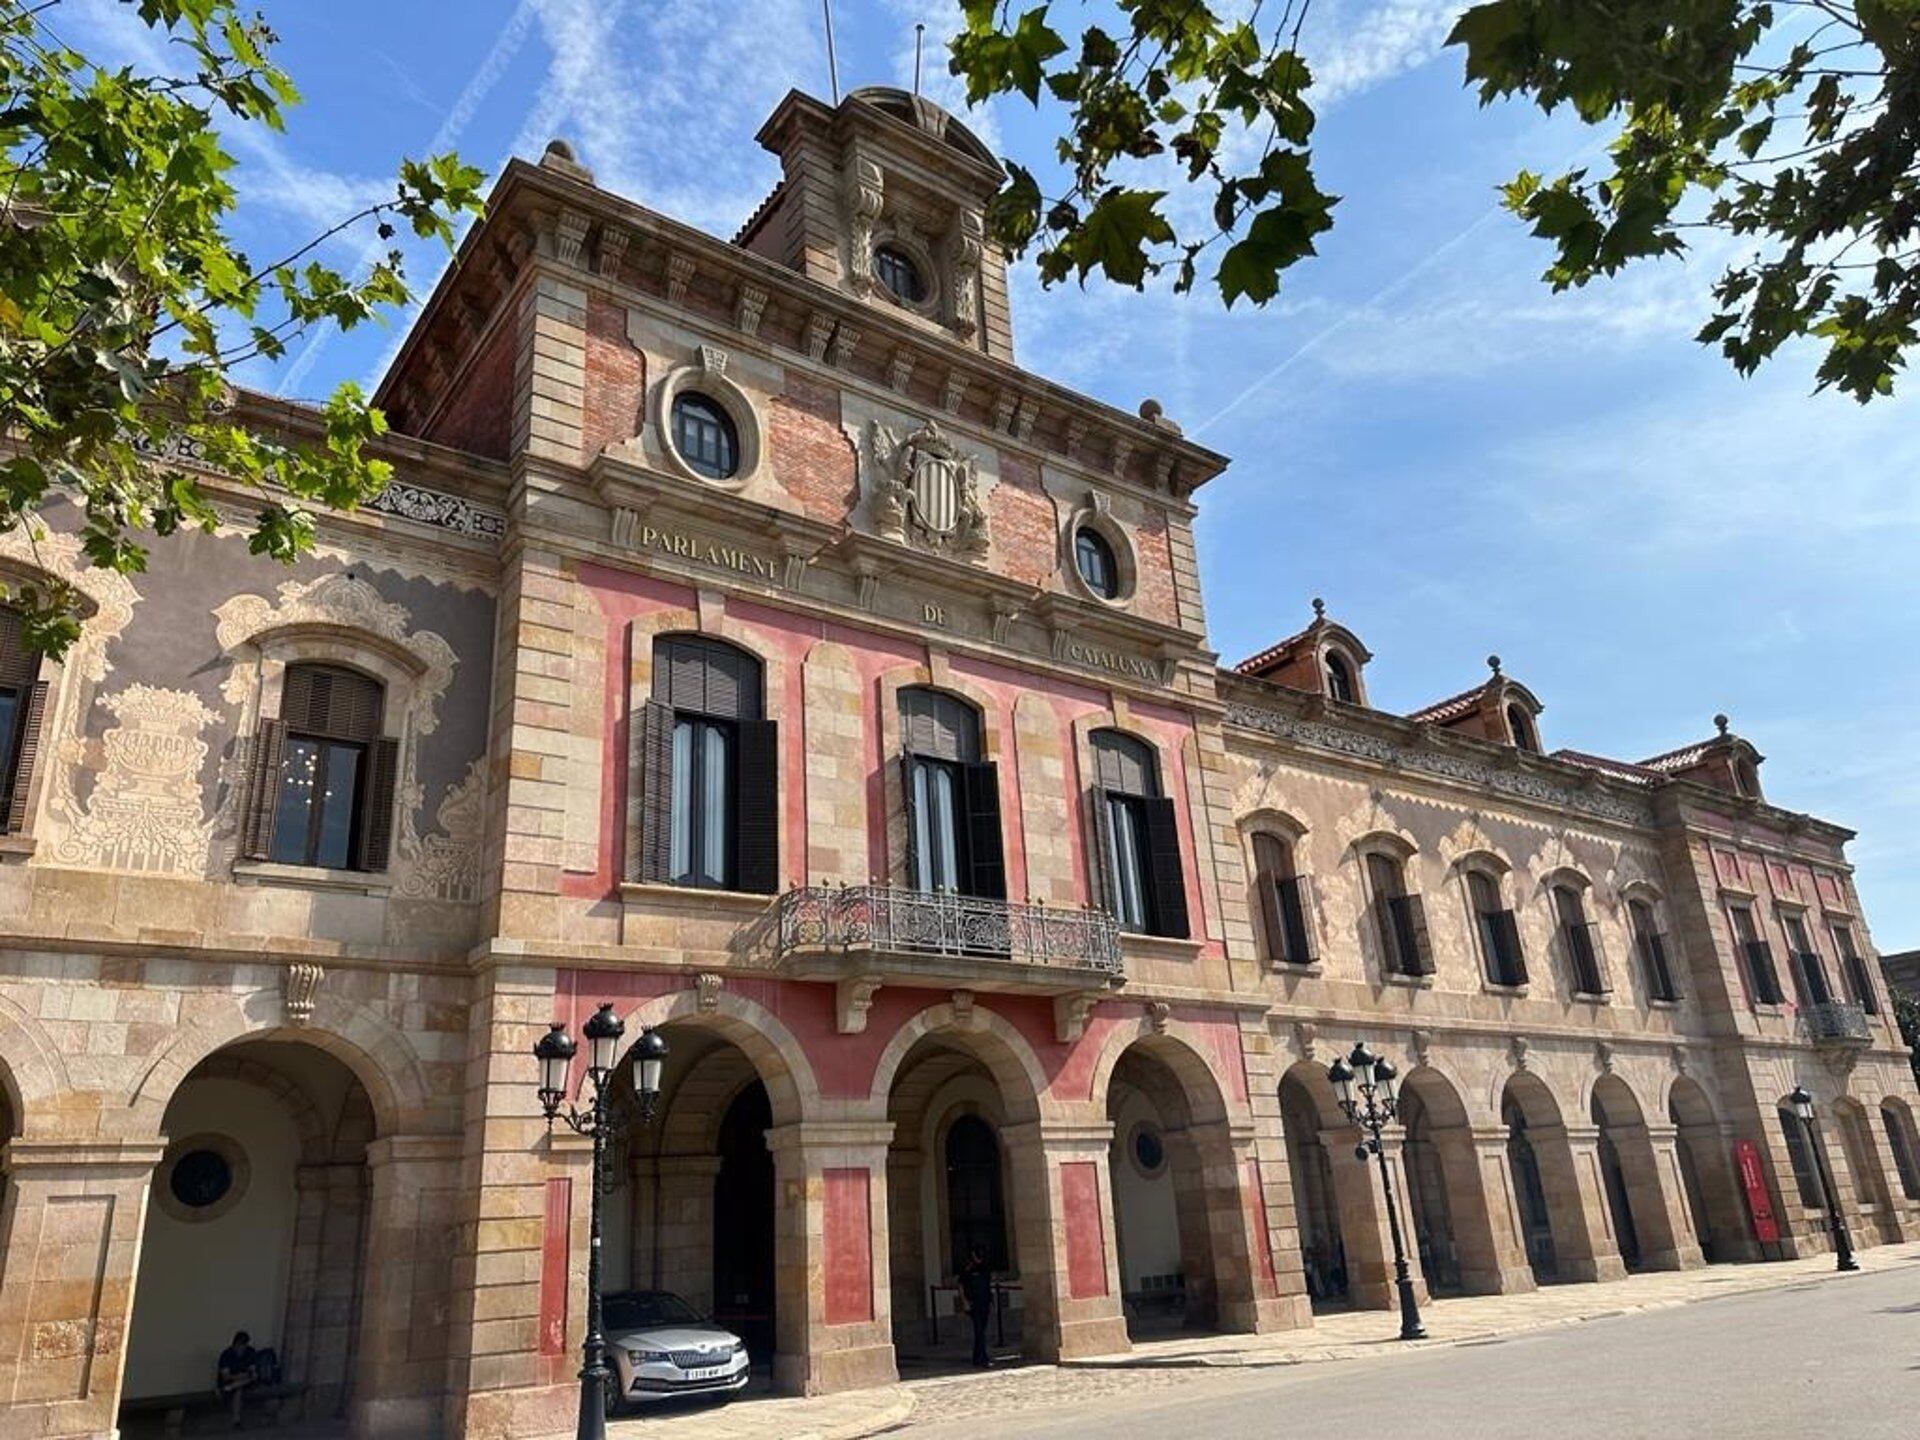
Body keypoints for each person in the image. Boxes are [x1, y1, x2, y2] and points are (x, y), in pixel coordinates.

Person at [958, 1243, 995, 1368]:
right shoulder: (968, 1270)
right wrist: (965, 1302)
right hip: (973, 1304)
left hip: (984, 1303)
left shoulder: (985, 1268)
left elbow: (988, 1285)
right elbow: (961, 1286)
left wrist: (991, 1302)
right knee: (979, 1332)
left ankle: (976, 1358)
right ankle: (983, 1359)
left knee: (981, 1332)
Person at [215, 1331, 257, 1428]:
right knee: (238, 1390)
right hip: (229, 1382)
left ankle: (230, 1388)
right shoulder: (226, 1355)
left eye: (244, 1346)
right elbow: (226, 1376)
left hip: (244, 1382)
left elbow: (253, 1372)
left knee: (251, 1379)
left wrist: (244, 1375)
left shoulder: (250, 1352)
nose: (242, 1349)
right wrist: (241, 1376)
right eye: (240, 1346)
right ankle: (236, 1420)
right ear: (235, 1344)